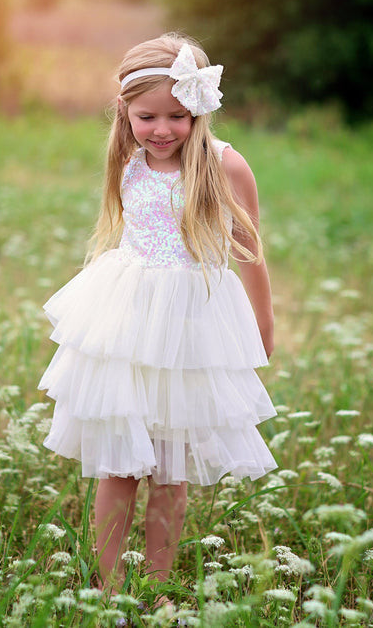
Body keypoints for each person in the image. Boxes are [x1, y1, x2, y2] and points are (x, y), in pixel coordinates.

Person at [38, 32, 277, 598]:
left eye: (178, 115)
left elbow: (250, 251)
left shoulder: (224, 164)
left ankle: (157, 585)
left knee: (171, 471)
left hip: (191, 328)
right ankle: (110, 588)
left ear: (199, 109)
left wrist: (264, 327)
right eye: (148, 116)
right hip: (127, 321)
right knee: (119, 465)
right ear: (125, 111)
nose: (163, 129)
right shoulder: (127, 160)